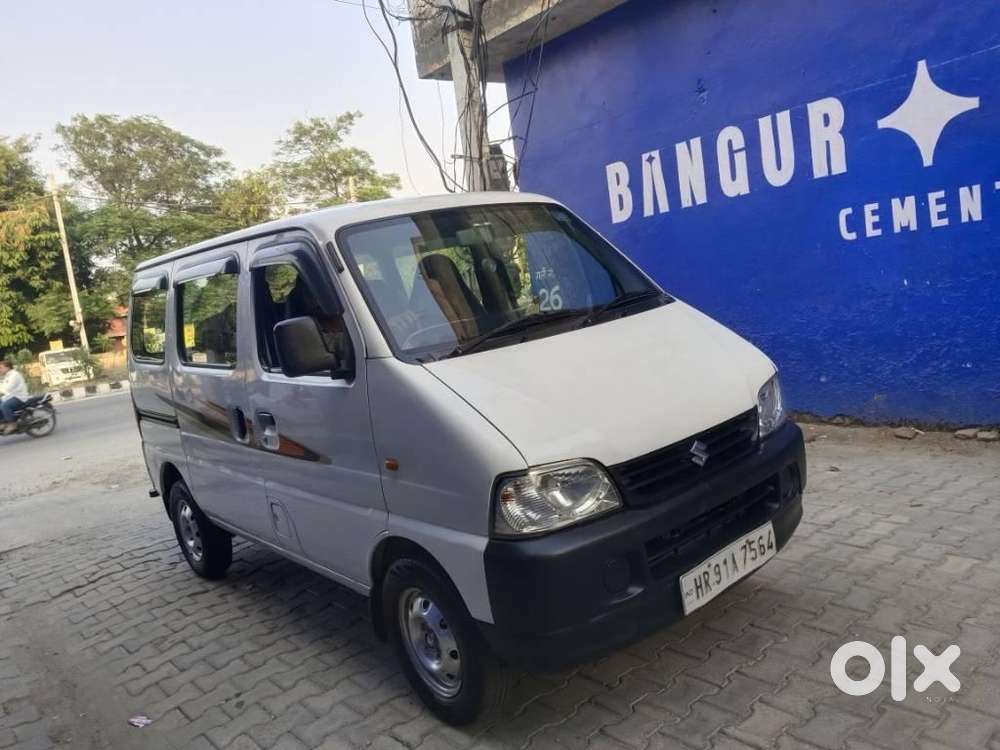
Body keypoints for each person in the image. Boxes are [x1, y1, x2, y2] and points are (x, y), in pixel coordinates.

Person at [0, 358, 28, 434]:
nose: (0, 370)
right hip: (10, 396)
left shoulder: (14, 375)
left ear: (7, 367)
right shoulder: (7, 375)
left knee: (4, 406)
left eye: (1, 368)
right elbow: (2, 385)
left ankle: (12, 424)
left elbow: (7, 388)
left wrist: (2, 391)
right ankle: (3, 422)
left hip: (19, 397)